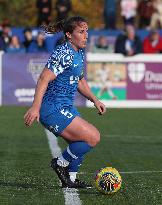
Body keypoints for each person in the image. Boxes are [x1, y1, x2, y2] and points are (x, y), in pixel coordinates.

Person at [24, 16, 106, 189]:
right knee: (93, 137)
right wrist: (35, 107)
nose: (86, 36)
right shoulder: (64, 53)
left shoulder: (79, 52)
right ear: (69, 34)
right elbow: (43, 78)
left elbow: (79, 81)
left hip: (65, 106)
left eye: (87, 31)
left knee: (79, 144)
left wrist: (95, 99)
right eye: (81, 32)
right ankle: (59, 164)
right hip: (52, 108)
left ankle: (70, 179)